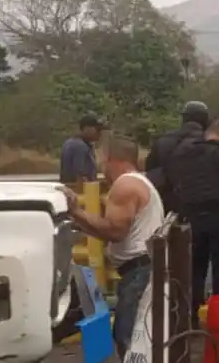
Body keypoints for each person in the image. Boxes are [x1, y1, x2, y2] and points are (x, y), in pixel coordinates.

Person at [58, 136, 163, 358]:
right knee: (133, 336)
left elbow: (115, 231)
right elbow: (110, 230)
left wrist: (77, 211)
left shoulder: (125, 185)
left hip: (139, 270)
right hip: (142, 268)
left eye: (100, 160)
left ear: (110, 158)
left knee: (130, 338)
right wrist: (79, 219)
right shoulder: (138, 181)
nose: (100, 167)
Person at [165, 117, 219, 330]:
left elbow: (171, 181)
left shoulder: (181, 154)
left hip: (191, 218)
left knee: (195, 269)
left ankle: (191, 318)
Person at [145, 101, 212, 214]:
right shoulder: (211, 144)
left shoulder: (163, 141)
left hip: (166, 207)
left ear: (184, 118)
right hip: (202, 210)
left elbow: (150, 172)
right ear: (205, 120)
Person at [60, 113, 106, 184]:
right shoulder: (80, 147)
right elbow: (80, 177)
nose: (100, 133)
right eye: (98, 129)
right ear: (86, 128)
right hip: (78, 191)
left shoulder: (71, 142)